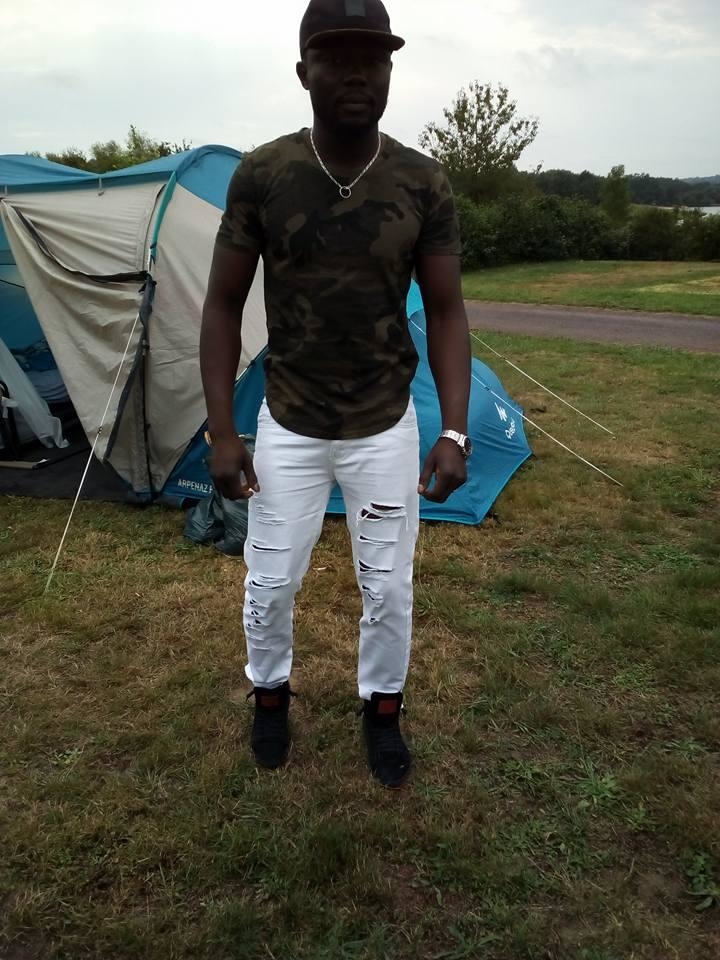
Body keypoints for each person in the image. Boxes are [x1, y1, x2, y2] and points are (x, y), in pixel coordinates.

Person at [199, 0, 471, 788]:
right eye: (337, 58)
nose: (358, 75)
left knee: (388, 588)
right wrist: (223, 431)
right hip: (290, 423)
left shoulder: (422, 181)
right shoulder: (264, 175)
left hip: (383, 426)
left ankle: (382, 711)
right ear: (303, 72)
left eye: (373, 59)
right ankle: (270, 696)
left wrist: (454, 431)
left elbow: (447, 311)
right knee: (270, 581)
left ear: (390, 71)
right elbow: (221, 305)